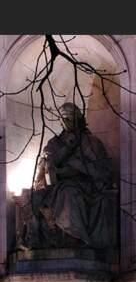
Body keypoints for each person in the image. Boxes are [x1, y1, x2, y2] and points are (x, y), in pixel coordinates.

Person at [19, 102, 116, 250]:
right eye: (63, 119)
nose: (66, 123)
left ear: (78, 119)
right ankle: (32, 240)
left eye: (70, 119)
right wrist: (67, 148)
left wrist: (77, 167)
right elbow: (46, 166)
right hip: (54, 186)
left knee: (69, 193)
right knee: (30, 197)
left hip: (82, 186)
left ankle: (75, 238)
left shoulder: (91, 143)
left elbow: (103, 172)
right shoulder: (54, 143)